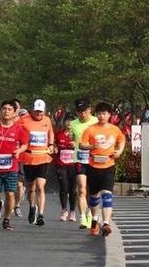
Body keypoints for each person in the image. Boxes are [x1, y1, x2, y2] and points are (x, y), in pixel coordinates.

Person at [79, 101, 126, 237]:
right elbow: (82, 145)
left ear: (109, 115)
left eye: (104, 113)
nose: (101, 116)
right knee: (94, 197)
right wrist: (92, 147)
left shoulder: (114, 129)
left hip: (109, 166)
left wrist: (119, 151)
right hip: (93, 166)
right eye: (99, 113)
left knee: (107, 194)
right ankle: (94, 220)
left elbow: (121, 140)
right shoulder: (91, 129)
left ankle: (106, 223)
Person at [0, 100, 29, 231]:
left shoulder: (19, 129)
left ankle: (7, 219)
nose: (6, 111)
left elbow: (25, 144)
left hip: (11, 167)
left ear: (15, 112)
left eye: (9, 109)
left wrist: (19, 151)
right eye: (4, 109)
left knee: (10, 194)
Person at [19, 99, 55, 226]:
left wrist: (51, 144)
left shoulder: (47, 120)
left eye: (41, 112)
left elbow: (50, 132)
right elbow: (16, 132)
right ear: (32, 110)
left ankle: (41, 214)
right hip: (29, 157)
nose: (38, 114)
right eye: (36, 111)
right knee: (31, 188)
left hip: (43, 157)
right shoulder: (24, 120)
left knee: (40, 186)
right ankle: (32, 207)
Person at [70, 98, 98, 229]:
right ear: (76, 112)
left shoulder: (96, 122)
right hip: (80, 159)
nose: (83, 114)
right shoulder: (73, 124)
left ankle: (90, 215)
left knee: (91, 191)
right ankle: (82, 217)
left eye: (85, 111)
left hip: (94, 160)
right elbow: (72, 138)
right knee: (81, 188)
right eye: (79, 111)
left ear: (89, 110)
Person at [55, 115, 77, 222]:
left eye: (71, 121)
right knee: (63, 188)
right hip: (61, 164)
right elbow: (54, 145)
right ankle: (64, 210)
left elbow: (84, 145)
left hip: (73, 165)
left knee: (72, 189)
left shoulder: (77, 135)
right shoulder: (59, 134)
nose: (69, 123)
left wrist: (76, 144)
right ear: (64, 123)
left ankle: (72, 211)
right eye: (67, 121)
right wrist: (54, 148)